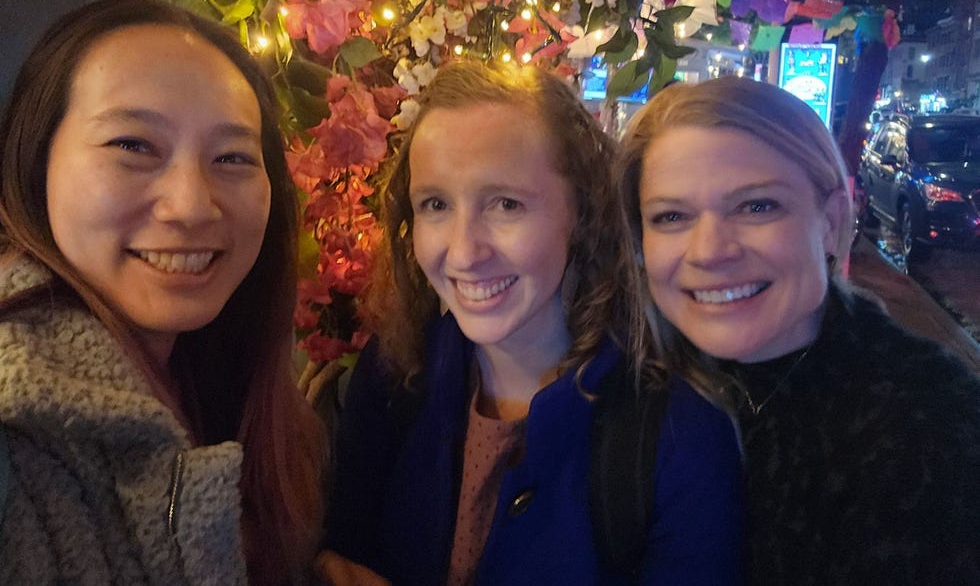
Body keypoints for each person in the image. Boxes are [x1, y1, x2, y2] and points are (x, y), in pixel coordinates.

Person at [320, 60, 744, 585]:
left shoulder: (677, 437)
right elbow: (342, 555)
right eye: (435, 204)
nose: (463, 252)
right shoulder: (393, 376)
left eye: (505, 203)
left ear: (584, 211)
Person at [0, 0, 324, 584]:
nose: (192, 205)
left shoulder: (224, 376)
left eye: (232, 157)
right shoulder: (16, 430)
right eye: (133, 146)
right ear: (35, 159)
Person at [618, 75, 980, 585]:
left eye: (757, 206)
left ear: (831, 221)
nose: (708, 251)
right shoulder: (619, 386)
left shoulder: (932, 427)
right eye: (671, 216)